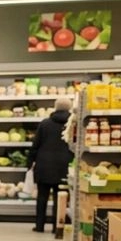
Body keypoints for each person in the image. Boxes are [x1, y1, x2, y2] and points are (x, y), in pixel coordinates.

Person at [27, 97, 75, 233]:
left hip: (44, 164)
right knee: (59, 198)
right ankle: (57, 225)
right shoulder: (71, 125)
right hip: (63, 165)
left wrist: (30, 162)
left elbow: (35, 145)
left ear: (55, 107)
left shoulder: (45, 123)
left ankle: (39, 225)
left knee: (42, 196)